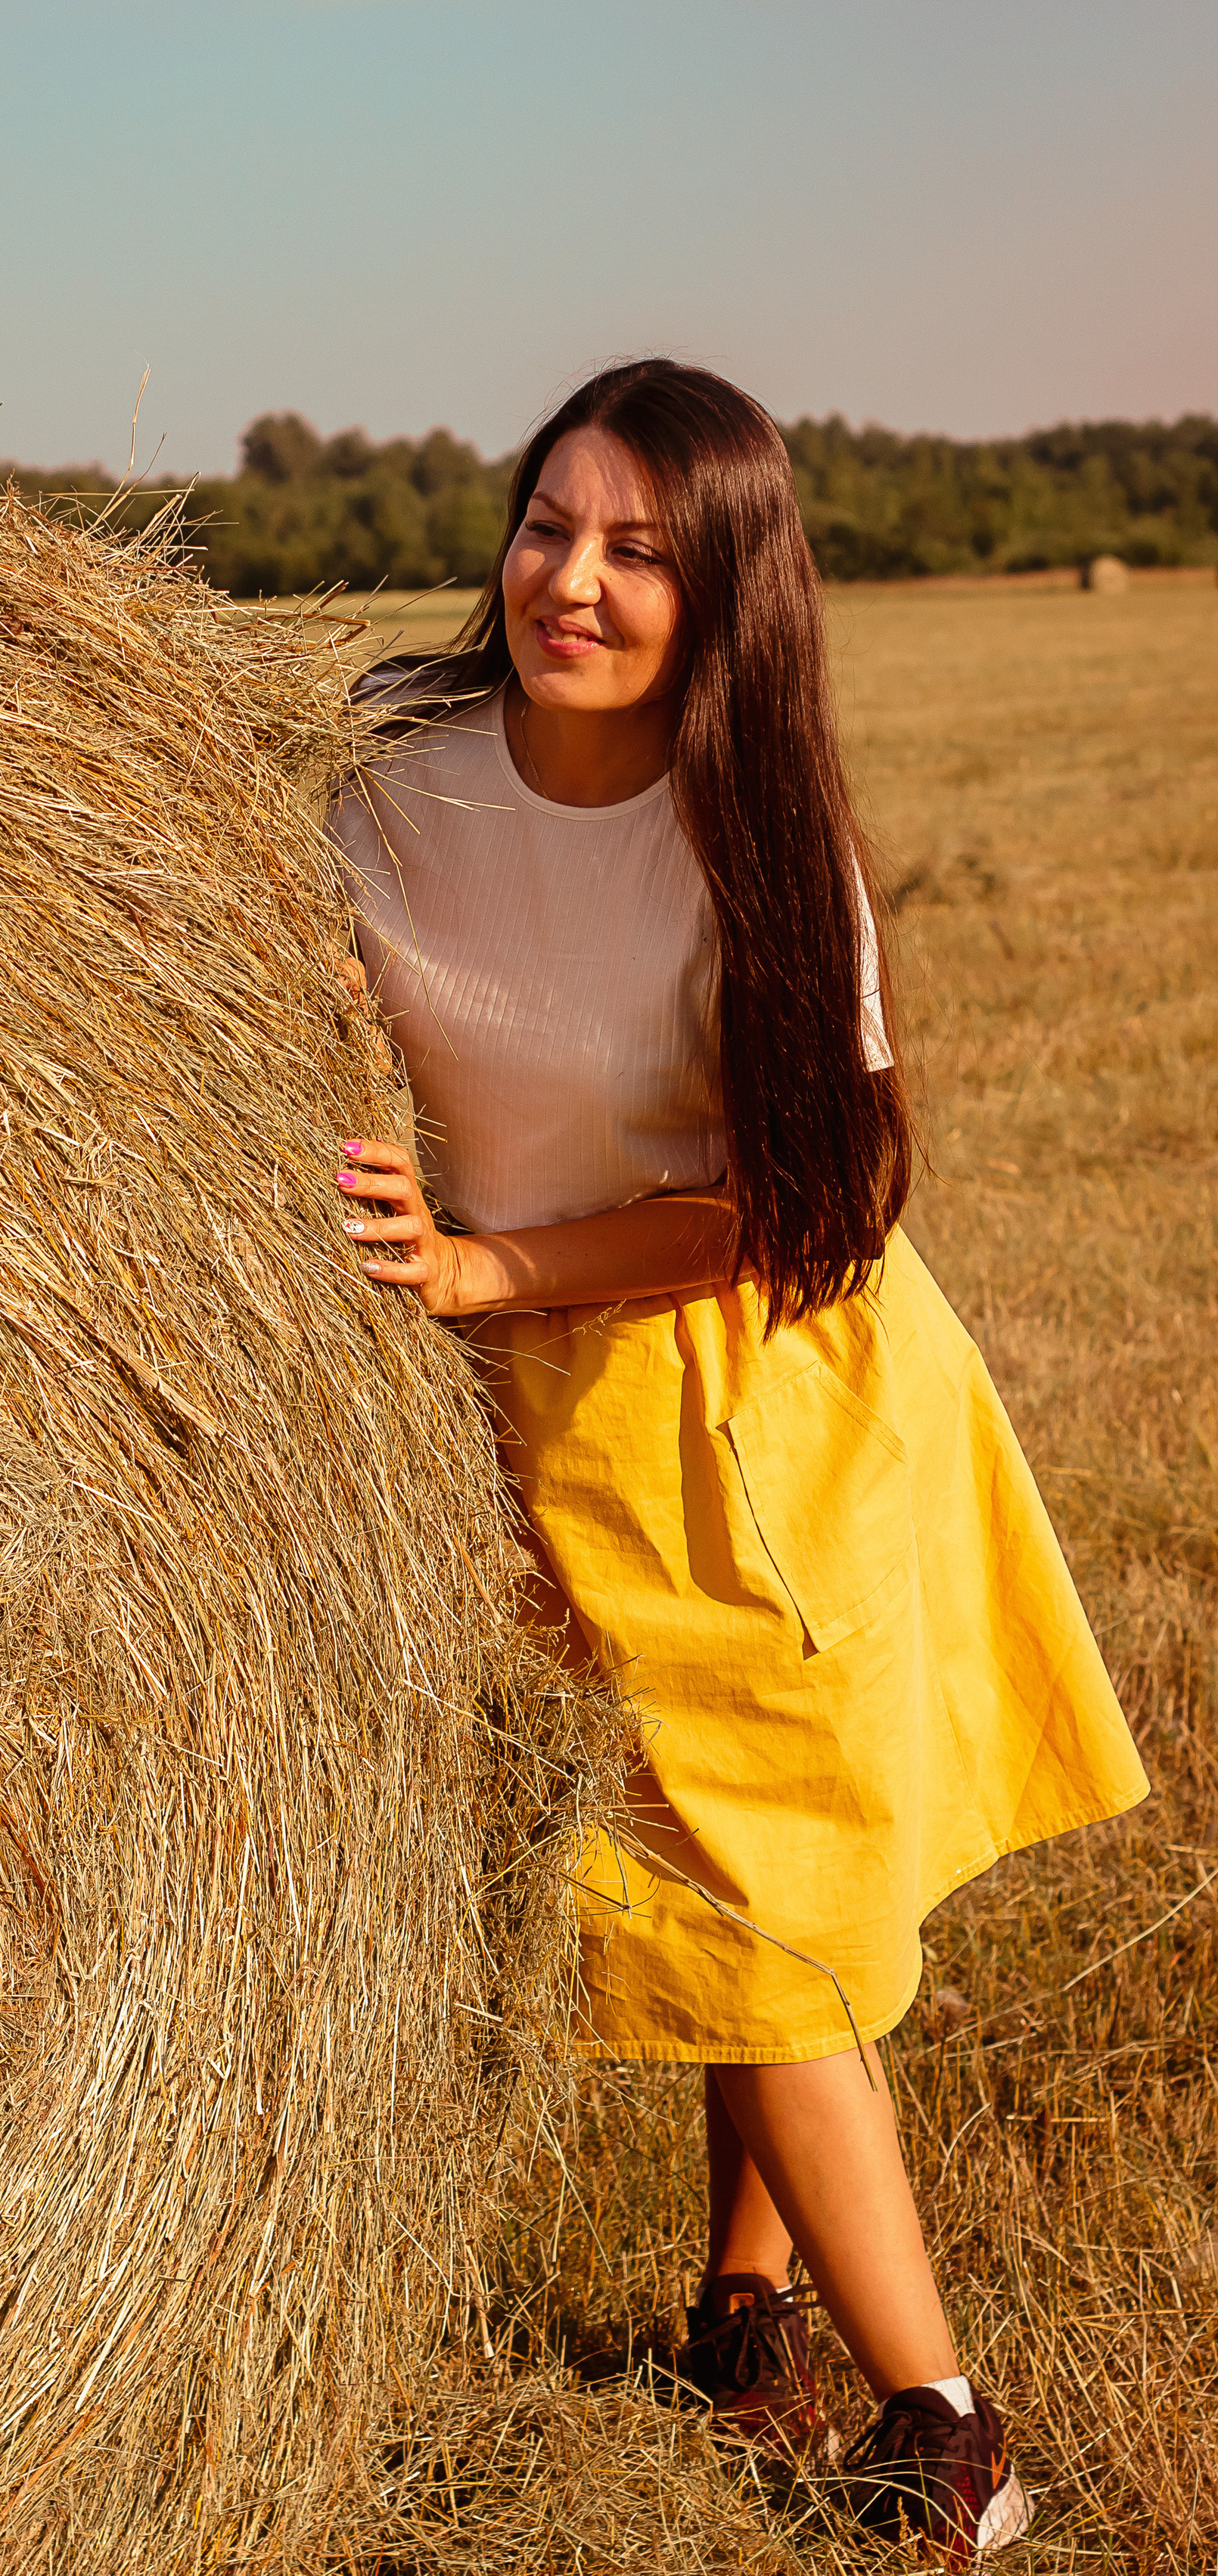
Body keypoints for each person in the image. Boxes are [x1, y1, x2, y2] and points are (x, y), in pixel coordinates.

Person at [327, 358, 1147, 2565]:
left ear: (730, 598)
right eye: (547, 526)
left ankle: (946, 2426)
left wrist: (505, 1269)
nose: (570, 582)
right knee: (733, 1885)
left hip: (761, 1394)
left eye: (638, 552)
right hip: (522, 1395)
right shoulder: (391, 787)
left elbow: (815, 1202)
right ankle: (741, 2311)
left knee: (763, 1915)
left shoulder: (759, 843)